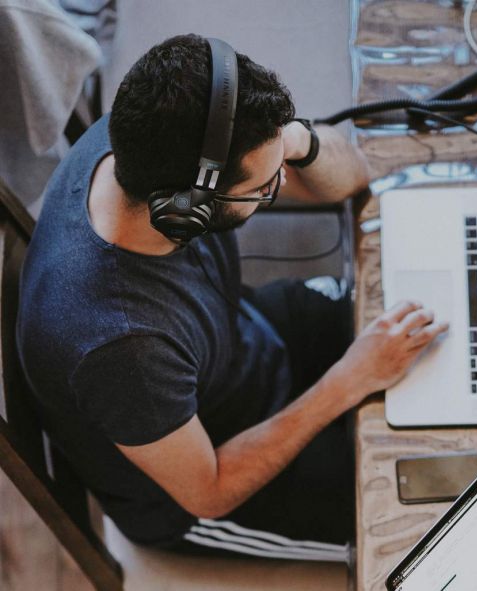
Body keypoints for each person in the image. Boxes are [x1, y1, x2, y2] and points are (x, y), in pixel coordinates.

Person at [16, 33, 447, 561]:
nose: (280, 184)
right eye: (264, 187)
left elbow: (353, 176)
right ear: (186, 211)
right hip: (209, 478)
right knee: (426, 512)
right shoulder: (120, 347)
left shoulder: (148, 135)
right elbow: (210, 490)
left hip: (238, 343)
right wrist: (349, 381)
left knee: (427, 324)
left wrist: (290, 140)